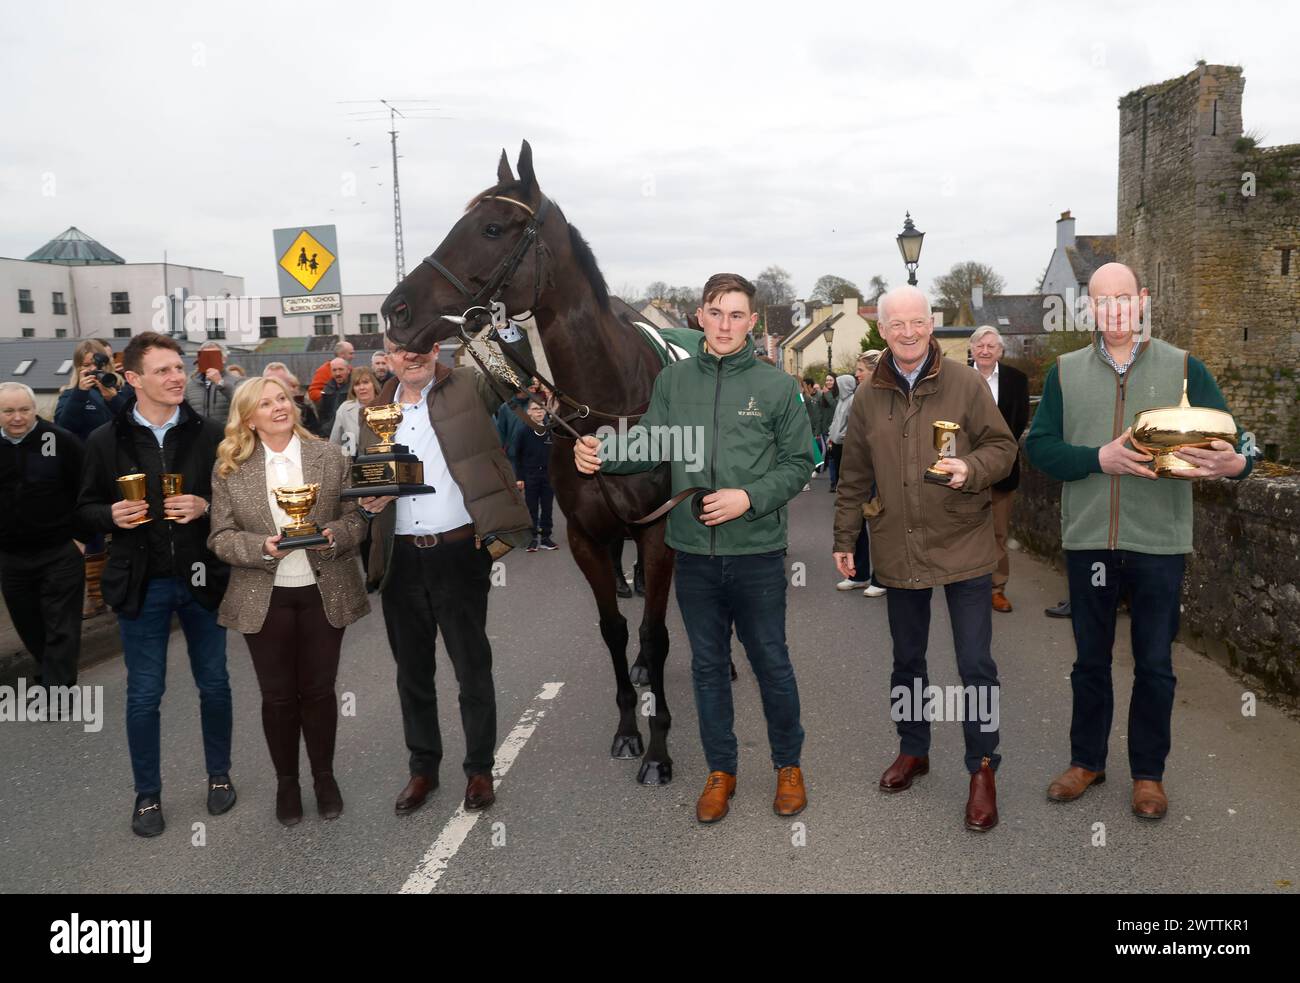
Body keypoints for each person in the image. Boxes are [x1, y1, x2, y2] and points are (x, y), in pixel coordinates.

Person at [576, 273, 813, 825]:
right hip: (693, 554)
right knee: (707, 668)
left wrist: (747, 498)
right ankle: (721, 771)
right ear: (699, 317)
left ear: (753, 322)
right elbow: (653, 440)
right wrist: (602, 451)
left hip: (755, 552)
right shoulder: (674, 382)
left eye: (737, 315)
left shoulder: (777, 387)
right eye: (716, 312)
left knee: (771, 664)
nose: (725, 324)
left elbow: (802, 463)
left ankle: (788, 767)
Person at [1025, 262, 1252, 821]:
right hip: (1090, 542)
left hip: (1159, 543)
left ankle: (1148, 775)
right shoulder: (1065, 371)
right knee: (1090, 662)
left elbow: (1238, 439)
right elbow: (1039, 447)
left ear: (1142, 300)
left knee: (1154, 663)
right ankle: (1087, 762)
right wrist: (1095, 458)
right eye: (1102, 302)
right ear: (1090, 309)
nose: (1114, 311)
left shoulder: (1182, 367)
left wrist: (1237, 463)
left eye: (1123, 299)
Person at [832, 286, 1017, 832]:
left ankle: (982, 767)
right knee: (907, 661)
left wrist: (973, 470)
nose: (908, 332)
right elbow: (853, 476)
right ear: (882, 330)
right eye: (897, 325)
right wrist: (846, 539)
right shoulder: (869, 395)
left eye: (917, 322)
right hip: (897, 543)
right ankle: (914, 748)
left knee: (975, 664)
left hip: (964, 541)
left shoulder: (964, 382)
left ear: (931, 325)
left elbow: (1003, 448)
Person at [360, 332, 532, 816]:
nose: (410, 356)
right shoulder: (373, 409)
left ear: (437, 347)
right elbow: (367, 477)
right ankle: (423, 769)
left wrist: (493, 324)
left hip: (458, 553)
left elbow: (515, 372)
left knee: (471, 666)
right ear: (388, 357)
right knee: (412, 673)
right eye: (399, 349)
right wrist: (371, 504)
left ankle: (479, 769)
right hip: (400, 557)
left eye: (420, 345)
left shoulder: (470, 386)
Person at [76, 331, 234, 838]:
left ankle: (219, 776)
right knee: (144, 694)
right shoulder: (105, 440)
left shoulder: (208, 433)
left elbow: (236, 500)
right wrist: (111, 514)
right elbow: (81, 512)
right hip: (140, 584)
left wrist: (206, 506)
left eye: (179, 367)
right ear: (133, 378)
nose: (176, 377)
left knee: (215, 684)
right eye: (163, 370)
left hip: (202, 577)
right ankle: (147, 796)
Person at [208, 376, 370, 826]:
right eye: (265, 403)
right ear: (248, 419)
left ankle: (324, 777)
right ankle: (287, 782)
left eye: (282, 398)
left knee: (318, 692)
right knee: (278, 697)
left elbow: (356, 519)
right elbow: (219, 537)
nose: (279, 407)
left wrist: (334, 535)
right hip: (265, 596)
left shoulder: (329, 456)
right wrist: (263, 547)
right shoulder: (229, 469)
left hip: (325, 590)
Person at [0, 383, 86, 691]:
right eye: (8, 411)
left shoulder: (61, 441)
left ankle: (57, 690)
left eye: (24, 409)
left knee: (61, 625)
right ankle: (49, 673)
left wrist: (82, 537)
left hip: (59, 550)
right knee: (29, 625)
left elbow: (87, 490)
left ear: (35, 409)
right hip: (10, 556)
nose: (17, 418)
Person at [55, 339, 129, 618]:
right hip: (88, 473)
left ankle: (125, 586)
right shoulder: (70, 394)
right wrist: (79, 394)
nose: (91, 371)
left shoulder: (117, 388)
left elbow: (133, 422)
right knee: (92, 529)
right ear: (77, 367)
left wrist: (114, 396)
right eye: (85, 365)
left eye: (96, 364)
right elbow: (63, 427)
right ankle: (95, 596)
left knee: (127, 525)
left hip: (121, 470)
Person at [969, 326, 1030, 614]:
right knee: (963, 532)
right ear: (971, 349)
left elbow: (1018, 423)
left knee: (998, 533)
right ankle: (966, 588)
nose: (985, 350)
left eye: (991, 346)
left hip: (1003, 470)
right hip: (964, 470)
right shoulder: (957, 379)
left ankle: (996, 589)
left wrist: (995, 455)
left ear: (1001, 350)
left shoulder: (1016, 381)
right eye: (980, 345)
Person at [835, 353, 887, 597]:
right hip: (860, 466)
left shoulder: (886, 396)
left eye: (860, 370)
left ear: (874, 371)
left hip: (882, 469)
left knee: (880, 522)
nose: (856, 374)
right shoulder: (860, 397)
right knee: (857, 518)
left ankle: (882, 577)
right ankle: (859, 573)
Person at [512, 400, 557, 552]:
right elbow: (516, 456)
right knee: (531, 508)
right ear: (529, 412)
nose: (539, 412)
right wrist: (519, 478)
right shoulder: (523, 431)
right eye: (535, 409)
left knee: (547, 507)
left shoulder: (550, 430)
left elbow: (555, 454)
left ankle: (545, 537)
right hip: (530, 474)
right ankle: (532, 538)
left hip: (547, 475)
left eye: (542, 408)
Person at [328, 366, 381, 457]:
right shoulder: (345, 409)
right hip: (355, 464)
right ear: (353, 388)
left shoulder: (386, 406)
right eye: (357, 384)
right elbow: (335, 443)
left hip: (384, 462)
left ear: (374, 385)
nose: (361, 387)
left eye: (365, 382)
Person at [184, 341, 238, 422]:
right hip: (199, 433)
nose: (209, 360)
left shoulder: (235, 381)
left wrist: (221, 383)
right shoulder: (190, 384)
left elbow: (242, 403)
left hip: (225, 432)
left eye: (213, 356)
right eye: (205, 356)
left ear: (224, 359)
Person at [265, 362, 320, 436]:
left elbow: (315, 438)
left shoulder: (305, 411)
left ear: (289, 384)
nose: (275, 386)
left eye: (280, 382)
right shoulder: (256, 410)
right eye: (270, 382)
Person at [314, 358, 351, 438]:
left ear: (348, 370)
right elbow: (323, 414)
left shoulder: (354, 388)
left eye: (341, 369)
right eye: (334, 370)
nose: (337, 373)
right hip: (329, 434)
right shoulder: (327, 389)